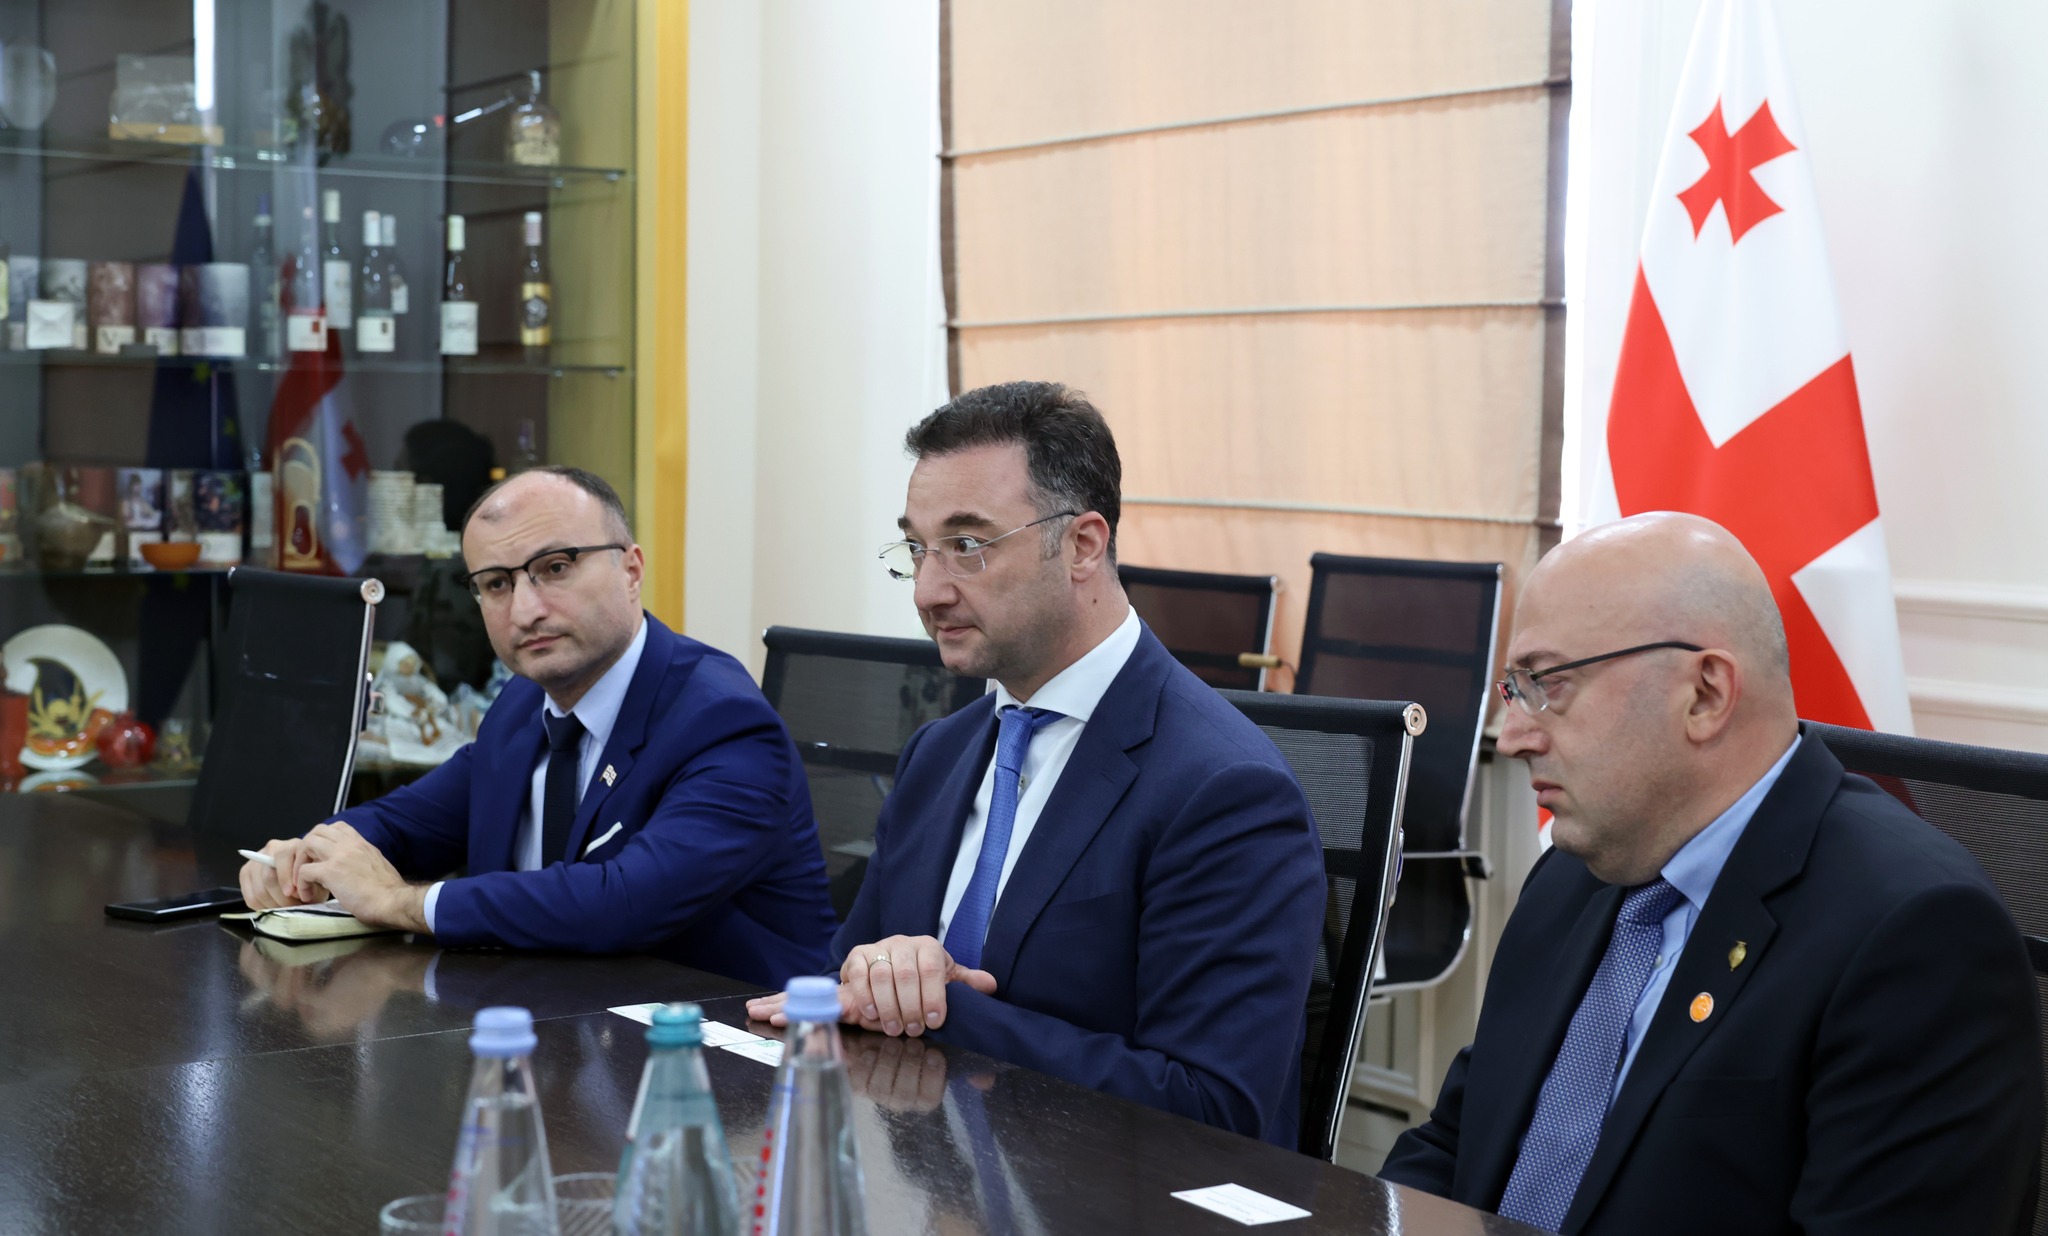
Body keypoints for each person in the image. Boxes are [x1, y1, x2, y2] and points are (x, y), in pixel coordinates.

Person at [1377, 512, 2041, 1235]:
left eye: (1549, 684)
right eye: (1515, 691)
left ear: (1705, 695)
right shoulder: (1575, 874)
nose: (1514, 737)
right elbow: (1458, 1144)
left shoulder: (1918, 937)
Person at [746, 381, 1324, 1147]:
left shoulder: (1224, 790)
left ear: (1083, 545)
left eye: (968, 546)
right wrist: (867, 981)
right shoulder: (939, 754)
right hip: (920, 1169)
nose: (928, 591)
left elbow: (1210, 1110)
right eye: (917, 549)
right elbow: (848, 981)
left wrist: (944, 1007)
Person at [237, 466, 838, 989]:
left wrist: (398, 903)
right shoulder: (524, 703)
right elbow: (406, 824)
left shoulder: (723, 722)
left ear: (631, 570)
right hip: (551, 1024)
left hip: (725, 1052)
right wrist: (307, 856)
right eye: (497, 584)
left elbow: (623, 902)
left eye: (555, 568)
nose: (526, 610)